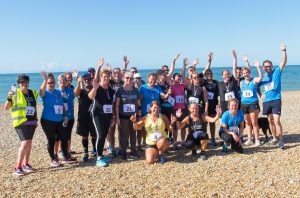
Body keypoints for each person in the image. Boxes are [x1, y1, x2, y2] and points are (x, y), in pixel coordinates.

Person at [39, 72, 76, 167]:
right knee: (51, 140)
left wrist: (66, 116)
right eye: (49, 83)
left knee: (64, 138)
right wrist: (45, 79)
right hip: (48, 120)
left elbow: (62, 105)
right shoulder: (45, 93)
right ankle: (53, 159)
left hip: (60, 120)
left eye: (52, 83)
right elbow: (41, 91)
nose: (51, 84)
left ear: (55, 83)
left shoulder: (58, 93)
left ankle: (65, 156)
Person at [4, 74, 38, 175]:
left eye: (26, 82)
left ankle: (26, 164)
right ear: (19, 84)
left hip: (31, 122)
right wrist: (9, 98)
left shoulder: (33, 93)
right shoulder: (14, 93)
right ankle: (18, 167)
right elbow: (6, 107)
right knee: (24, 143)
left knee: (29, 143)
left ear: (28, 82)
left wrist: (36, 120)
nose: (24, 84)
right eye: (22, 82)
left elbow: (34, 107)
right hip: (20, 122)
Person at [258, 43, 287, 149]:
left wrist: (284, 50)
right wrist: (260, 94)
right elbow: (256, 85)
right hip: (266, 102)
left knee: (276, 120)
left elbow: (283, 62)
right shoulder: (263, 77)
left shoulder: (277, 72)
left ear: (272, 66)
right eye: (265, 66)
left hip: (276, 100)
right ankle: (274, 137)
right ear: (263, 67)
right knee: (270, 120)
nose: (267, 68)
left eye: (269, 66)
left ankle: (281, 141)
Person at [89, 64, 116, 167]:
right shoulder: (97, 87)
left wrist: (113, 116)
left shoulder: (111, 90)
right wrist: (98, 67)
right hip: (97, 115)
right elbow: (90, 96)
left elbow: (112, 105)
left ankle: (101, 155)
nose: (106, 78)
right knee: (100, 135)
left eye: (108, 76)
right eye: (104, 76)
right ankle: (98, 158)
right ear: (101, 77)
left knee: (104, 135)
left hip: (107, 116)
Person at [115, 72, 142, 160]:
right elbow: (117, 105)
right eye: (127, 78)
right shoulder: (120, 90)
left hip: (133, 117)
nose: (128, 80)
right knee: (124, 135)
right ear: (123, 78)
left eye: (130, 78)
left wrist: (139, 116)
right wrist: (117, 118)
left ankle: (133, 151)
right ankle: (123, 151)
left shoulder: (135, 91)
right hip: (123, 117)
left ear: (133, 80)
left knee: (133, 134)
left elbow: (138, 104)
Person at [74, 73, 97, 162]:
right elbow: (75, 94)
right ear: (83, 79)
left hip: (93, 115)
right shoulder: (80, 88)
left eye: (88, 78)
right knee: (84, 136)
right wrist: (78, 83)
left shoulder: (93, 88)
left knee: (94, 134)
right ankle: (86, 152)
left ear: (91, 79)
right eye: (85, 79)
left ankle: (95, 149)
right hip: (83, 116)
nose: (86, 80)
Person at [240, 61, 263, 146]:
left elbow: (261, 77)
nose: (245, 74)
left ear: (249, 73)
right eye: (244, 73)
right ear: (242, 74)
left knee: (254, 122)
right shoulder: (241, 82)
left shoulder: (254, 80)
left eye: (247, 73)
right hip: (244, 104)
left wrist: (258, 67)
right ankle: (250, 139)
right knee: (247, 122)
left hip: (253, 104)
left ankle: (257, 139)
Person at [203, 53, 220, 146]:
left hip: (213, 106)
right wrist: (209, 61)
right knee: (205, 123)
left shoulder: (216, 82)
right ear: (205, 75)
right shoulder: (203, 83)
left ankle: (213, 138)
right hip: (205, 107)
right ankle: (205, 137)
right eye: (207, 74)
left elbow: (221, 93)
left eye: (210, 73)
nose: (209, 75)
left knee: (212, 124)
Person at [218, 50, 241, 114]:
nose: (226, 76)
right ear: (222, 76)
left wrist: (235, 58)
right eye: (225, 75)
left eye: (228, 74)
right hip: (224, 106)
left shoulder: (233, 80)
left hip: (234, 105)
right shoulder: (219, 84)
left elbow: (234, 68)